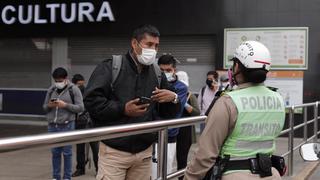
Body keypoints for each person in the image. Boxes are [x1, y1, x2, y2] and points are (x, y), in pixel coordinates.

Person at [84, 24, 180, 180]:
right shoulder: (111, 67)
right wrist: (122, 109)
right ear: (134, 44)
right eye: (149, 44)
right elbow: (91, 101)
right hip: (114, 152)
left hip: (144, 153)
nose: (153, 50)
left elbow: (168, 113)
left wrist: (173, 99)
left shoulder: (157, 74)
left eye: (156, 46)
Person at [184, 41, 286, 180]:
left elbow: (206, 154)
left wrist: (189, 177)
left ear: (237, 66)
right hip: (270, 174)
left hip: (234, 174)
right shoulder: (278, 99)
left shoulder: (228, 102)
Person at [43, 67, 84, 180]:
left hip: (67, 125)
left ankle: (67, 177)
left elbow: (80, 108)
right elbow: (44, 107)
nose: (58, 83)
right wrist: (49, 106)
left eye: (60, 81)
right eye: (56, 81)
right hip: (53, 126)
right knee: (55, 153)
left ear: (66, 79)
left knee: (67, 153)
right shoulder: (51, 90)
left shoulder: (74, 89)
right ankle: (56, 177)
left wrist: (65, 105)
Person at [157, 55, 188, 174]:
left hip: (169, 135)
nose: (165, 73)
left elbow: (177, 110)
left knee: (165, 170)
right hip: (150, 134)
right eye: (162, 70)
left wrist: (172, 97)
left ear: (175, 70)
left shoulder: (181, 87)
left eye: (168, 70)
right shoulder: (153, 83)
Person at [71, 74, 99, 177]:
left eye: (82, 84)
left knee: (95, 148)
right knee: (80, 148)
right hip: (80, 123)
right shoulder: (73, 92)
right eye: (79, 84)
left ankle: (98, 169)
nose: (81, 86)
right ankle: (81, 168)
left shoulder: (88, 92)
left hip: (90, 123)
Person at [175, 71, 200, 180]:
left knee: (182, 158)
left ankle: (181, 177)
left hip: (185, 131)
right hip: (171, 130)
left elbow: (196, 113)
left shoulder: (190, 96)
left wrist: (184, 104)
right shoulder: (170, 93)